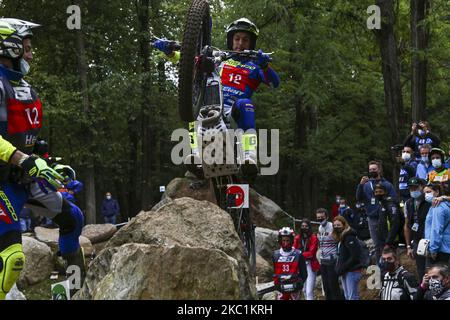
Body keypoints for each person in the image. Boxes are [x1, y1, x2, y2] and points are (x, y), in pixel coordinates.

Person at [0, 20, 85, 299]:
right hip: (1, 182)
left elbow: (28, 142)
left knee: (73, 217)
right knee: (12, 259)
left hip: (21, 179)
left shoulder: (28, 91)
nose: (31, 55)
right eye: (26, 48)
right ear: (8, 47)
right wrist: (24, 159)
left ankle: (70, 292)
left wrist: (51, 164)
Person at [153, 18, 280, 175]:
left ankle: (250, 156)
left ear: (251, 43)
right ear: (230, 40)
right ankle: (196, 155)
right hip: (211, 107)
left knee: (245, 103)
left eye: (245, 40)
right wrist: (169, 51)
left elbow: (275, 83)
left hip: (233, 112)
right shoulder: (219, 58)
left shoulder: (255, 66)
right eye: (237, 38)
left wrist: (265, 66)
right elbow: (188, 60)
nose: (240, 43)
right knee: (193, 108)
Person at [356, 161, 397, 261]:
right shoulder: (366, 185)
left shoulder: (387, 184)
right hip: (372, 219)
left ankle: (392, 265)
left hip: (386, 218)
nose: (372, 171)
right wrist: (360, 185)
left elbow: (394, 199)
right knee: (377, 244)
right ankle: (381, 268)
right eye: (370, 170)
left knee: (388, 243)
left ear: (379, 170)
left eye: (374, 169)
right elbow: (359, 198)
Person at [403, 177, 430, 280]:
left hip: (429, 239)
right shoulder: (408, 203)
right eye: (411, 188)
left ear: (422, 187)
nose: (414, 190)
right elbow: (407, 225)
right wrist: (408, 246)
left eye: (416, 188)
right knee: (421, 270)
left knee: (431, 268)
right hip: (417, 241)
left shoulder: (429, 200)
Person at [272, 227, 308, 300]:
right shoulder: (275, 254)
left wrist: (300, 283)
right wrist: (276, 284)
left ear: (292, 240)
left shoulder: (298, 254)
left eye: (288, 240)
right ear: (280, 241)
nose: (285, 243)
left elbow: (304, 273)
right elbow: (275, 272)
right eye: (283, 240)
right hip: (281, 287)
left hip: (295, 286)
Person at [332, 216, 363, 300]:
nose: (336, 227)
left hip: (352, 271)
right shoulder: (341, 238)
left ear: (344, 224)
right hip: (345, 271)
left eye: (338, 225)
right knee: (347, 296)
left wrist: (343, 268)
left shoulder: (349, 237)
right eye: (335, 225)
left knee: (352, 297)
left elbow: (355, 256)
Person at [316, 208, 343, 300]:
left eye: (322, 217)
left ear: (326, 217)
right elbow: (320, 243)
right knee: (326, 286)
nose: (320, 219)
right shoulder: (319, 228)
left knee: (333, 285)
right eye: (318, 218)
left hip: (332, 259)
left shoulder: (332, 226)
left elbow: (339, 240)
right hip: (323, 260)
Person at [423, 184, 450, 266]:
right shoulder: (443, 205)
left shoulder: (438, 207)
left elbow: (436, 229)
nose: (426, 195)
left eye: (428, 192)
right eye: (424, 193)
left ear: (437, 192)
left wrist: (433, 249)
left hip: (440, 249)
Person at [293, 218, 320, 300]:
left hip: (311, 265)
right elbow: (294, 250)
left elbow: (311, 253)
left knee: (309, 291)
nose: (304, 228)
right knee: (304, 290)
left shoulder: (313, 238)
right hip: (301, 265)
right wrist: (299, 254)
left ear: (309, 227)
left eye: (306, 226)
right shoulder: (297, 238)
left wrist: (300, 254)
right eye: (302, 226)